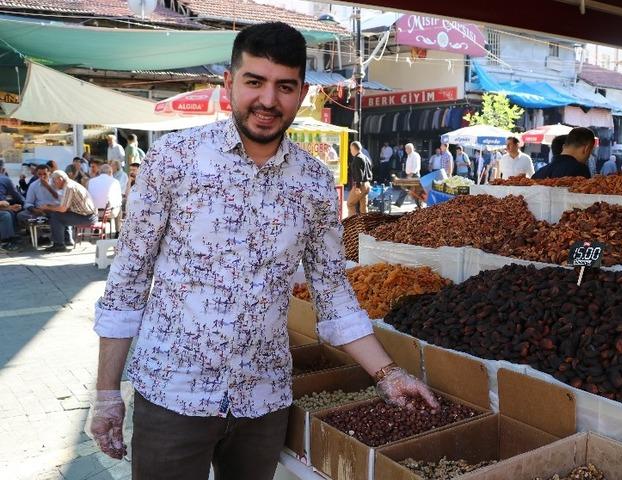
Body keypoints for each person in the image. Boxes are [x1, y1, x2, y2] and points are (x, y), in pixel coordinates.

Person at [89, 22, 437, 479]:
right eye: (254, 82)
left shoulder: (313, 183)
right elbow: (127, 283)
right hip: (173, 393)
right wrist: (107, 393)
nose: (268, 101)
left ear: (302, 92)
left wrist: (389, 374)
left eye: (284, 86)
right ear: (229, 83)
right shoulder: (172, 161)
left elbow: (332, 290)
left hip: (264, 400)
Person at [40, 170, 97, 252]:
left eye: (54, 181)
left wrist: (47, 207)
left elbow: (62, 209)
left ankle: (59, 244)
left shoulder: (69, 187)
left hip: (87, 217)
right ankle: (67, 240)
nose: (54, 184)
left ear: (60, 179)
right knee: (60, 214)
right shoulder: (71, 184)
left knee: (56, 216)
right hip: (88, 215)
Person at [347, 141, 373, 217]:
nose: (350, 151)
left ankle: (352, 223)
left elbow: (359, 174)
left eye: (350, 149)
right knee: (363, 207)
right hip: (367, 184)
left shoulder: (357, 158)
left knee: (350, 204)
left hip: (360, 185)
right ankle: (365, 224)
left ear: (353, 148)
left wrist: (357, 187)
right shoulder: (365, 157)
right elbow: (370, 171)